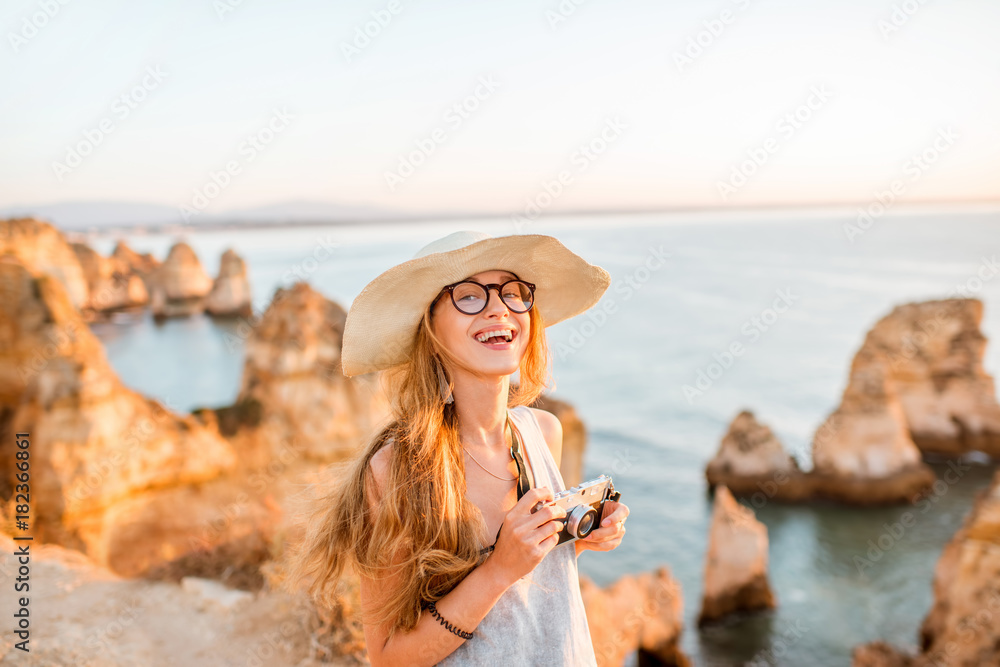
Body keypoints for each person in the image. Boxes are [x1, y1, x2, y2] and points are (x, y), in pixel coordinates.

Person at [282, 230, 630, 666]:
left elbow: (525, 587)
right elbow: (389, 658)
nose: (499, 308)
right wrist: (499, 568)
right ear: (431, 329)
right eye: (469, 296)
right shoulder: (397, 469)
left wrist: (579, 537)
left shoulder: (544, 432)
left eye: (512, 292)